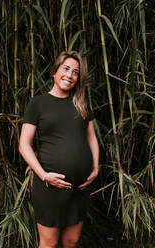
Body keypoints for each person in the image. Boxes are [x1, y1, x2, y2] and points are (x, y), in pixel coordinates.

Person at [19, 51, 99, 248]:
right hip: (49, 187)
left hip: (80, 187)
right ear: (54, 72)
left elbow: (92, 138)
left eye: (75, 72)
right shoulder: (38, 103)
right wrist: (44, 175)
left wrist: (95, 169)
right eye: (65, 69)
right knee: (49, 243)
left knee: (72, 241)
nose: (69, 75)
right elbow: (24, 144)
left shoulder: (81, 104)